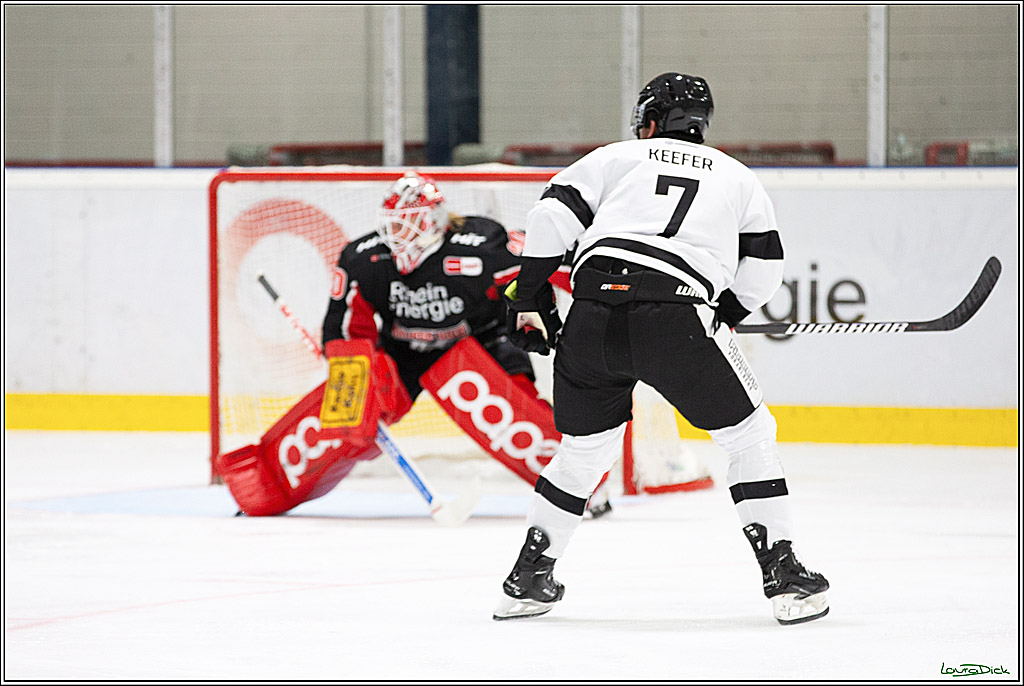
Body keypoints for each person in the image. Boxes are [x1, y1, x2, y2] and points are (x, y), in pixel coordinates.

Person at [493, 73, 829, 624]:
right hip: (677, 317)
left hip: (592, 315)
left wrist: (527, 296)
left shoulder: (615, 157)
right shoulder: (738, 177)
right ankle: (785, 574)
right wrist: (727, 316)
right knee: (750, 436)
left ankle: (528, 578)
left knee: (584, 450)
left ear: (648, 120)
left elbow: (550, 218)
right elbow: (765, 269)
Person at [321, 171, 613, 517]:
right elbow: (343, 325)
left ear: (431, 220)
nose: (393, 234)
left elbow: (548, 262)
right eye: (390, 224)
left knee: (515, 413)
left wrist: (605, 288)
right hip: (403, 350)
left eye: (405, 223)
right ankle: (272, 482)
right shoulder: (362, 258)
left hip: (483, 340)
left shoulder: (483, 246)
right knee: (347, 416)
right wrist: (350, 369)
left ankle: (582, 486)